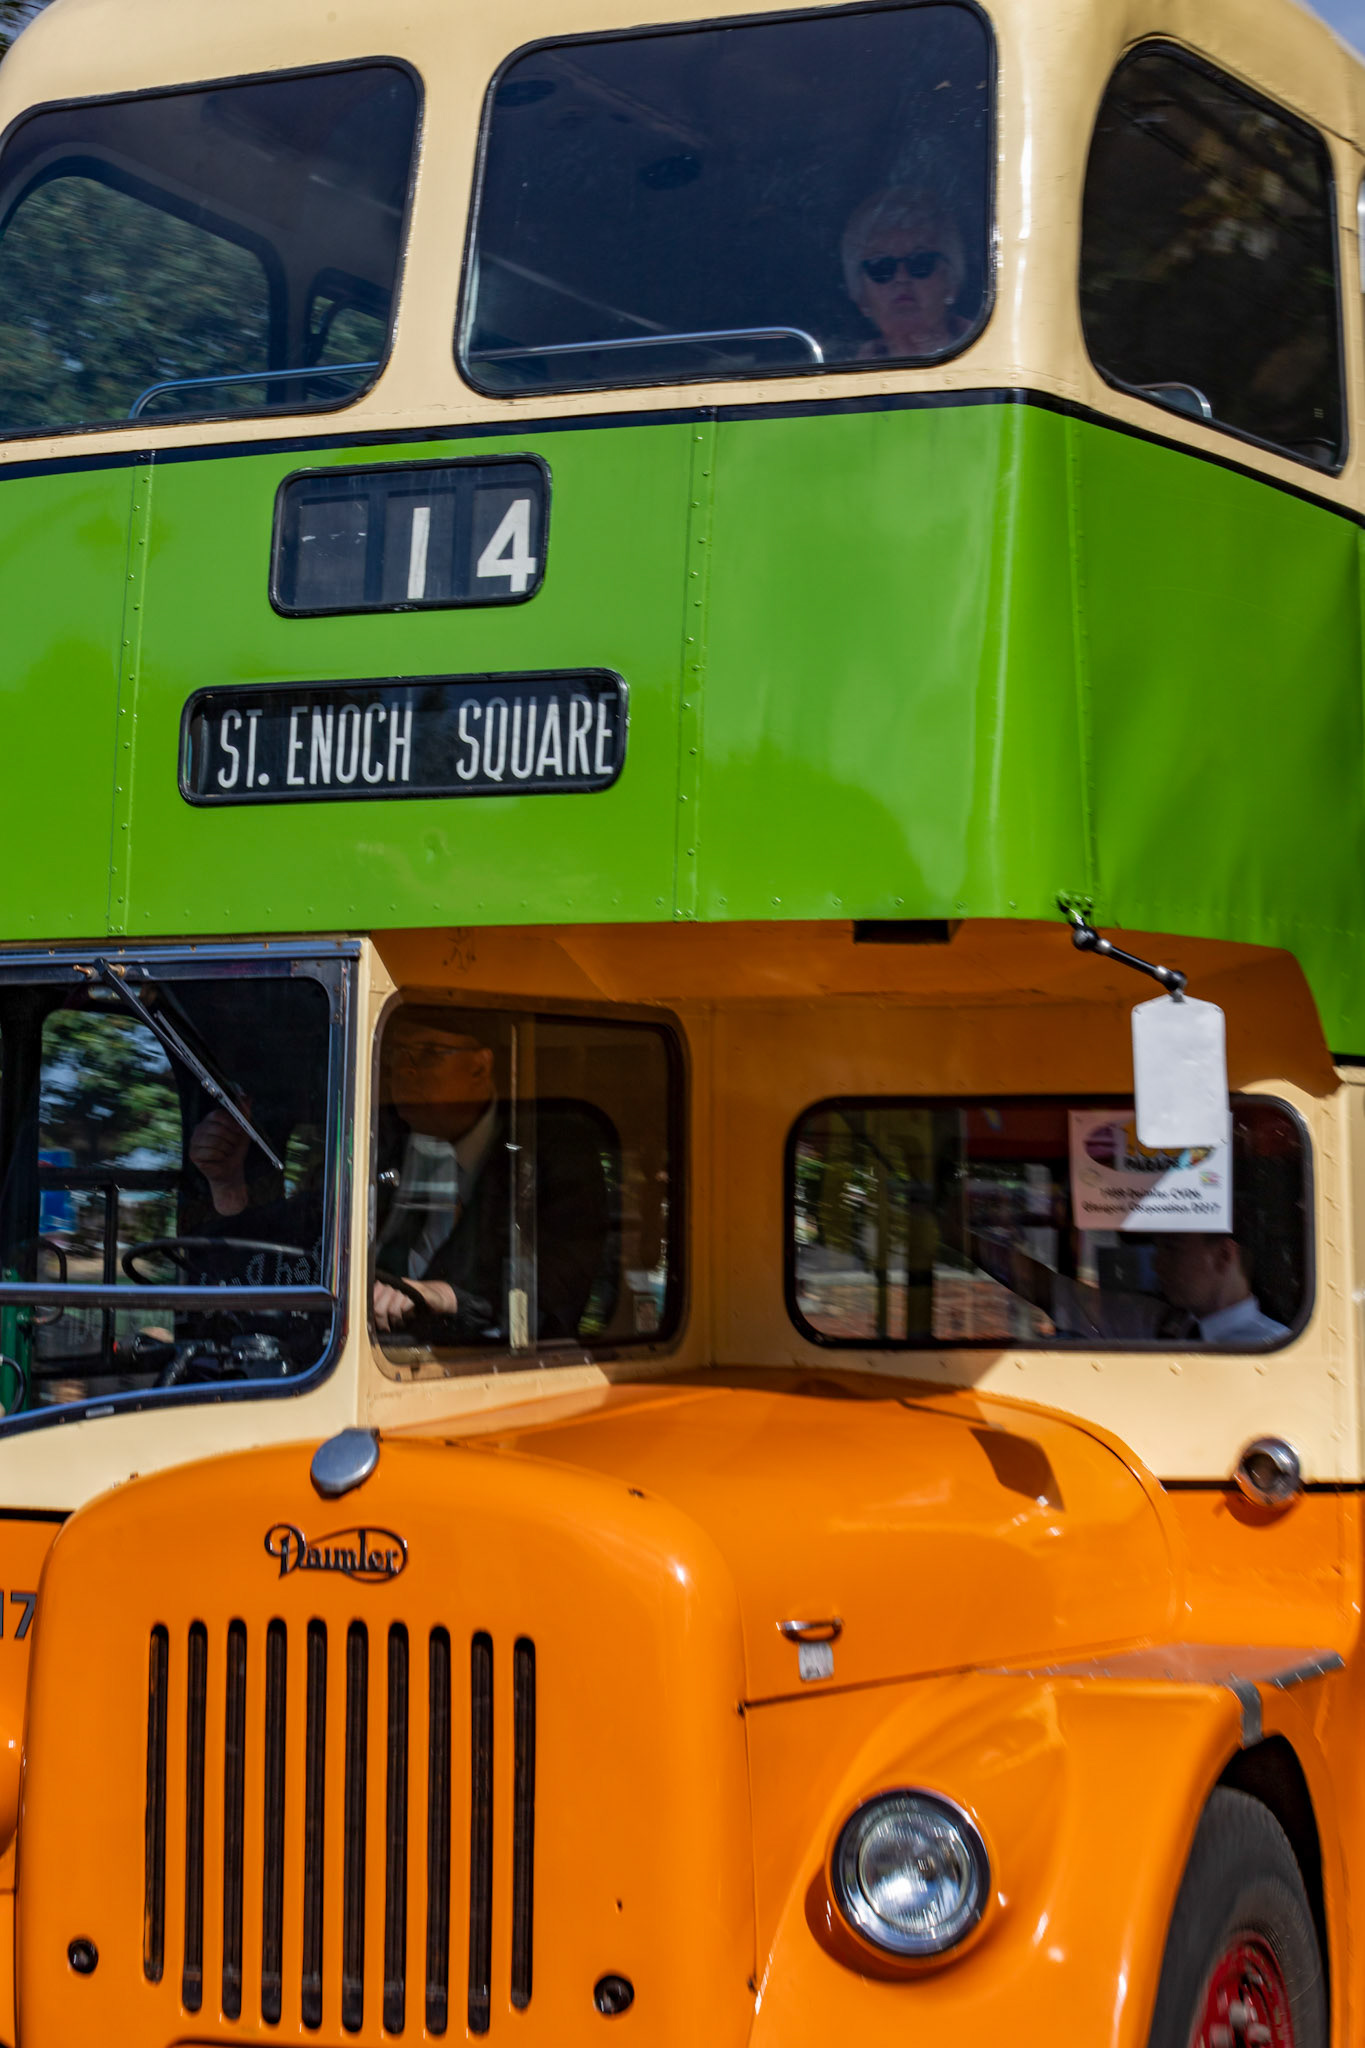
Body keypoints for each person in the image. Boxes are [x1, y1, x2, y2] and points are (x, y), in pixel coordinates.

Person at [189, 1015, 610, 1346]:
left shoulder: (548, 1153)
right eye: (396, 1055)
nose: (403, 1071)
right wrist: (227, 1186)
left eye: (426, 1053)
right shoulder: (370, 1142)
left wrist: (446, 1297)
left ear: (481, 1067)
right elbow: (301, 1249)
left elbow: (554, 1298)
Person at [841, 186, 971, 360]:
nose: (901, 278)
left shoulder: (994, 355)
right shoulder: (842, 380)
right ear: (861, 297)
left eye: (920, 262)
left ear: (950, 283)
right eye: (880, 266)